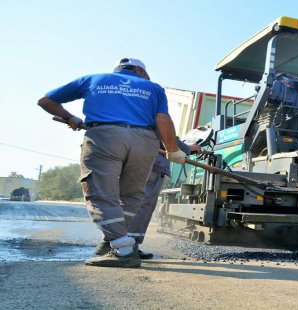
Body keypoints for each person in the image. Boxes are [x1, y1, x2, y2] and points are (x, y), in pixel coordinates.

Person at [38, 58, 186, 268]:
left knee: (101, 192)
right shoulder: (153, 88)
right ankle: (116, 243)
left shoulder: (93, 79)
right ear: (138, 70)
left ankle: (122, 249)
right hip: (145, 141)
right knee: (132, 195)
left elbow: (45, 101)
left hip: (105, 137)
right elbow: (163, 118)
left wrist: (70, 117)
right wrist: (173, 150)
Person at [94, 140, 201, 259]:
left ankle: (116, 242)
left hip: (136, 162)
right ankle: (124, 247)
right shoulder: (153, 122)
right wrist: (188, 148)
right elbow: (164, 134)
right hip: (152, 165)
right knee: (142, 207)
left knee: (130, 203)